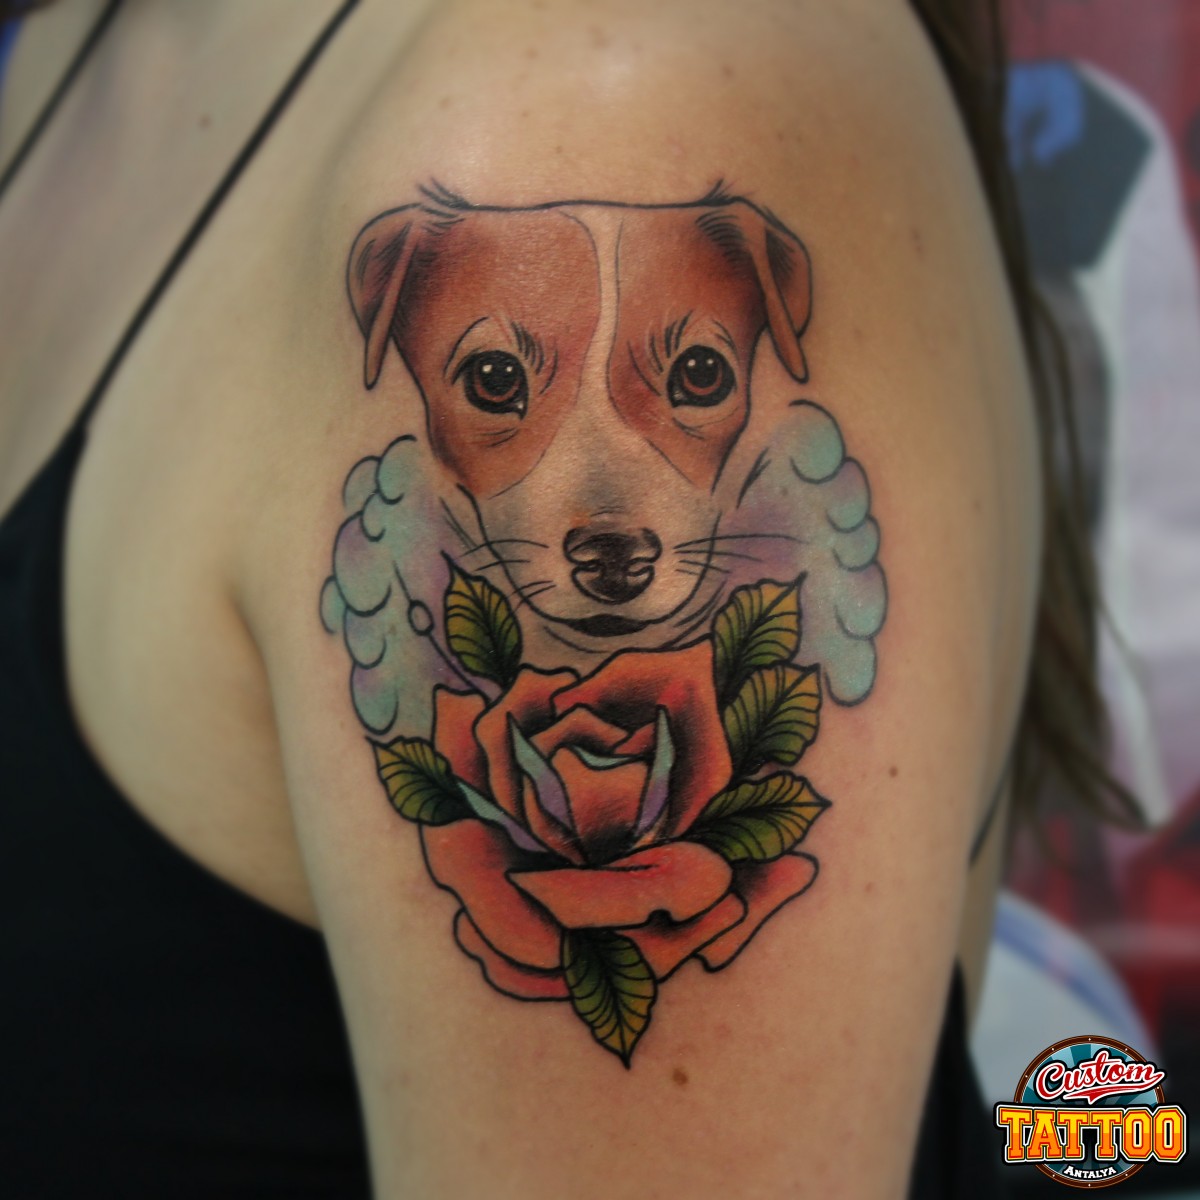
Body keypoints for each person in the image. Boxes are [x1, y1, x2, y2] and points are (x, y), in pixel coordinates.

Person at [0, 1, 1127, 1195]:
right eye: (496, 379)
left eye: (696, 375)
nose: (608, 524)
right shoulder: (91, 44)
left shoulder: (607, 95)